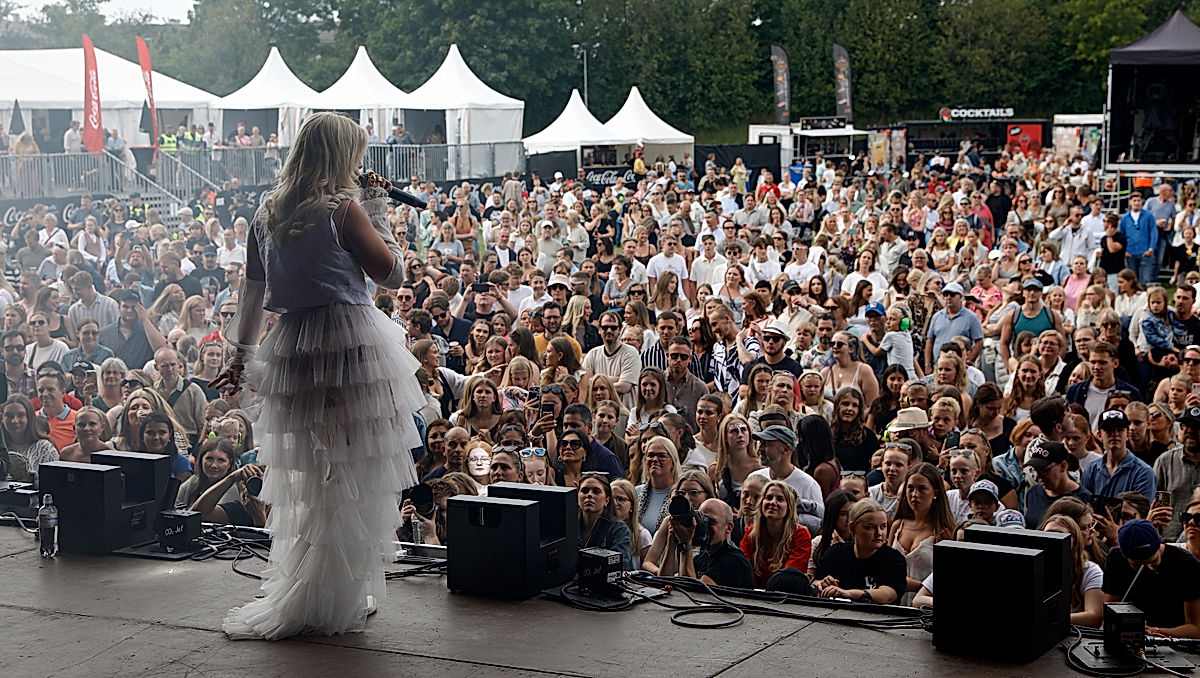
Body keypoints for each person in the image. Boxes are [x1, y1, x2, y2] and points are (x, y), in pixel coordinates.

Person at [212, 113, 424, 640]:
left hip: (293, 350)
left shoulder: (267, 211)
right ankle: (334, 594)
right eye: (355, 152)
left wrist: (239, 355)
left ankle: (315, 585)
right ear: (339, 155)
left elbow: (252, 293)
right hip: (349, 347)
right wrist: (378, 212)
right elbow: (391, 276)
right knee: (350, 475)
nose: (359, 162)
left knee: (311, 476)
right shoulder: (343, 209)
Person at [1103, 519, 1200, 639]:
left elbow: (1196, 629)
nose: (1148, 569)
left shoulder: (1186, 564)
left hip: (1175, 643)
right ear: (1125, 556)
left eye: (1153, 561)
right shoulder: (1115, 559)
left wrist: (1154, 631)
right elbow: (1110, 611)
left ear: (1159, 545)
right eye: (1138, 566)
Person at [813, 499, 909, 604]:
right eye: (870, 527)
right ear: (852, 527)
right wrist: (824, 584)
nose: (879, 533)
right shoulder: (836, 552)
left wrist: (848, 594)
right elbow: (816, 582)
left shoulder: (893, 558)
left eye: (883, 527)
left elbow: (888, 595)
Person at [747, 425, 823, 535]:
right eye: (760, 443)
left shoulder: (808, 484)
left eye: (767, 444)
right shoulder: (754, 478)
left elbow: (819, 525)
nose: (760, 449)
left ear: (786, 449)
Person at [740, 480, 813, 588]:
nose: (773, 502)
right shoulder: (750, 534)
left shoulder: (800, 535)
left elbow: (788, 579)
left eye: (780, 499)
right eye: (768, 497)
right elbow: (744, 572)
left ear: (789, 507)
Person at [1039, 513, 1104, 628]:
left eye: (1059, 536)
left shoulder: (1090, 571)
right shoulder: (1037, 567)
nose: (1052, 540)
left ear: (1074, 540)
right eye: (1047, 535)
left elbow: (1094, 617)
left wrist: (1049, 620)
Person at [675, 497, 755, 588]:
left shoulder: (734, 561)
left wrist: (685, 545)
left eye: (711, 521)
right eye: (701, 520)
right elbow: (671, 581)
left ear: (729, 527)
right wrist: (672, 538)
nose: (704, 526)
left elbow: (694, 593)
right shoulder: (703, 557)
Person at [1081, 409, 1156, 500]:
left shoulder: (1143, 472)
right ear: (1099, 435)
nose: (1115, 434)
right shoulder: (1091, 470)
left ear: (1127, 434)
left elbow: (1142, 511)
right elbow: (1083, 505)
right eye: (1109, 430)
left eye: (1120, 430)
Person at [1024, 437, 1090, 528]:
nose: (1038, 476)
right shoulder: (1033, 493)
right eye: (1036, 470)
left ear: (1063, 466)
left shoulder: (1083, 498)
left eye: (1044, 471)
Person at [577, 473, 633, 570]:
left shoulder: (619, 530)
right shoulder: (568, 527)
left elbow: (618, 564)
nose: (589, 495)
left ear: (607, 500)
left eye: (596, 491)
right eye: (585, 491)